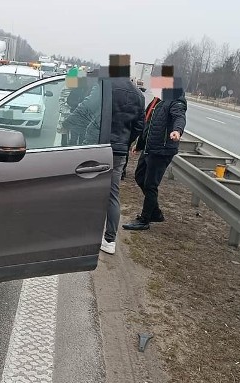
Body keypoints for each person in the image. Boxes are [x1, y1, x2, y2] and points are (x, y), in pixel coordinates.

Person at [123, 66, 187, 231]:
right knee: (139, 177)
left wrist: (177, 131)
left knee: (151, 184)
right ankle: (155, 212)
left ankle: (145, 220)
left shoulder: (176, 99)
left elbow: (179, 117)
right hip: (150, 148)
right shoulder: (157, 100)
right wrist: (140, 145)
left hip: (163, 150)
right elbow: (148, 124)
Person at [100, 56, 146, 254]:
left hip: (98, 146)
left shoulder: (105, 86)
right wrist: (127, 142)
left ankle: (82, 234)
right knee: (112, 194)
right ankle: (109, 240)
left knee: (87, 187)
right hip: (119, 151)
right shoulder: (138, 95)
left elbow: (92, 112)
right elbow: (140, 126)